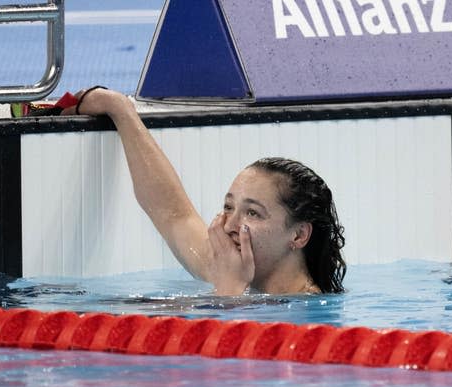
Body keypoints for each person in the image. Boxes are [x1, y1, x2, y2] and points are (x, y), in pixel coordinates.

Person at [61, 88, 346, 295]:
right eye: (228, 207)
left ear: (298, 235)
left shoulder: (307, 315)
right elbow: (173, 213)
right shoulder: (230, 265)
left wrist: (230, 292)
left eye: (253, 213)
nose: (231, 224)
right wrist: (120, 110)